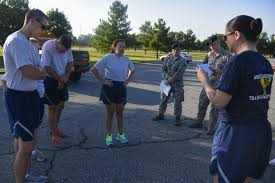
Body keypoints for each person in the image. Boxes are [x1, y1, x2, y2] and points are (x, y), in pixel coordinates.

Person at [196, 15, 273, 183]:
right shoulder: (265, 62)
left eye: (226, 36)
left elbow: (218, 101)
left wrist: (204, 80)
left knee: (223, 178)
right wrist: (222, 74)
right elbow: (248, 83)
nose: (226, 41)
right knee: (247, 177)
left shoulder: (236, 61)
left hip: (236, 134)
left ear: (236, 34)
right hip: (260, 131)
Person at [3, 9, 48, 183]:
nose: (43, 30)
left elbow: (40, 67)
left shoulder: (29, 44)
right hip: (19, 98)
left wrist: (42, 51)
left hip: (31, 95)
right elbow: (30, 72)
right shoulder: (16, 41)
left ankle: (26, 176)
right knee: (27, 145)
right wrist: (42, 73)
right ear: (31, 20)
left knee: (25, 141)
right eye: (42, 25)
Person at [92, 39, 135, 146]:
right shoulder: (108, 57)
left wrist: (127, 81)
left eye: (124, 47)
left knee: (120, 113)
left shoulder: (126, 59)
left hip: (121, 87)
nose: (122, 49)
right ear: (114, 47)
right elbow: (94, 69)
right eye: (120, 46)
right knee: (110, 113)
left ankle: (120, 134)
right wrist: (103, 80)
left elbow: (132, 70)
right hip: (109, 87)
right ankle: (109, 135)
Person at [189, 35, 232, 135]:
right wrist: (201, 70)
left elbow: (231, 72)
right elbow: (203, 66)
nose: (211, 46)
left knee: (215, 109)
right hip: (207, 84)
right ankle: (199, 122)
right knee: (202, 104)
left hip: (219, 87)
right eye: (209, 45)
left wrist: (219, 71)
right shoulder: (209, 54)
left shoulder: (228, 55)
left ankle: (211, 129)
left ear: (218, 42)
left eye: (213, 44)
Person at [42, 34, 74, 143]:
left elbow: (70, 63)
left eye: (66, 50)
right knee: (52, 107)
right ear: (58, 43)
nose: (64, 52)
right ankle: (54, 133)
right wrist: (60, 79)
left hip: (62, 77)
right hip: (50, 78)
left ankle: (54, 127)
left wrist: (66, 77)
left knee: (61, 105)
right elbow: (46, 67)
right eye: (62, 50)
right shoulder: (48, 46)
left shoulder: (68, 49)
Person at [152, 43, 187, 126]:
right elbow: (163, 70)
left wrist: (171, 79)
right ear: (172, 50)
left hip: (177, 84)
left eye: (178, 49)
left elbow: (179, 73)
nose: (176, 50)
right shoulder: (167, 58)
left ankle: (177, 118)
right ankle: (161, 114)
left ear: (180, 50)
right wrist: (167, 79)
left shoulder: (183, 61)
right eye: (175, 49)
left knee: (177, 101)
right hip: (166, 83)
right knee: (163, 99)